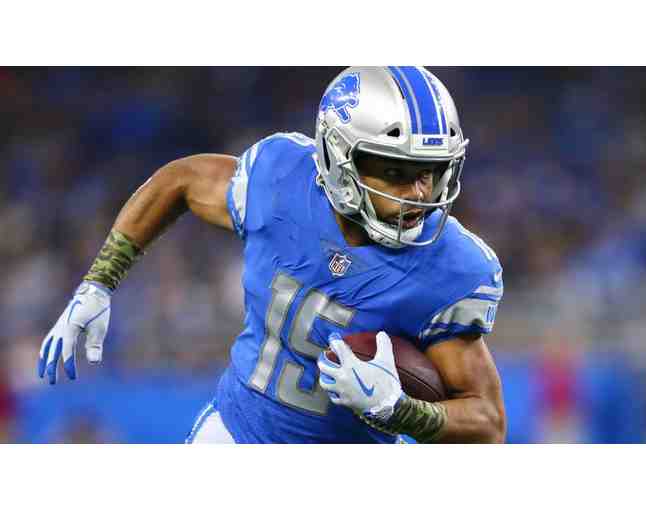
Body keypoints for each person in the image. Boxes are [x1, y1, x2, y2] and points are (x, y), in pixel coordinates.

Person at [38, 66, 506, 443]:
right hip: (236, 436)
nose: (420, 194)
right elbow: (181, 180)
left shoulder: (451, 267)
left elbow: (488, 423)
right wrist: (99, 282)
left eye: (431, 172)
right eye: (396, 171)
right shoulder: (281, 183)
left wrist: (400, 410)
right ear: (337, 156)